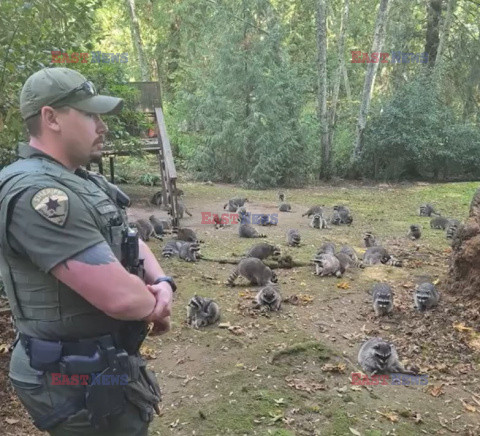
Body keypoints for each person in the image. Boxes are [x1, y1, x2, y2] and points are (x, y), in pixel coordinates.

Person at [0, 67, 176, 435]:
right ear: (51, 118)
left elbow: (129, 238)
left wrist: (161, 281)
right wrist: (155, 305)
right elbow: (119, 298)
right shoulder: (41, 196)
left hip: (99, 362)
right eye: (90, 114)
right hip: (69, 377)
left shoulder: (80, 180)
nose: (103, 126)